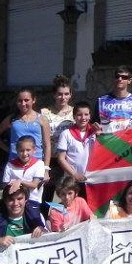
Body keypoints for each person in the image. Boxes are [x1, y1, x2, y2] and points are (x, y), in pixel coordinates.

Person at [0, 88, 52, 169]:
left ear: (33, 100)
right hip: (15, 162)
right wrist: (8, 149)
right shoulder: (12, 119)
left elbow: (47, 145)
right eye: (20, 100)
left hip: (36, 163)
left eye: (26, 100)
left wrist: (46, 168)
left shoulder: (42, 119)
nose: (23, 104)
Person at [40, 75, 74, 208]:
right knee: (46, 196)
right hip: (51, 159)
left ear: (71, 95)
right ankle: (43, 223)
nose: (63, 97)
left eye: (66, 94)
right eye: (60, 94)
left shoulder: (75, 112)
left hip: (68, 160)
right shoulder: (45, 112)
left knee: (67, 194)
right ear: (54, 95)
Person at [2, 135, 46, 220]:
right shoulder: (10, 165)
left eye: (28, 150)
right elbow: (5, 185)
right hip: (13, 201)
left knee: (35, 222)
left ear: (34, 150)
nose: (25, 153)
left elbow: (34, 185)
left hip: (32, 200)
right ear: (17, 151)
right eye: (21, 151)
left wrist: (19, 181)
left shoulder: (39, 164)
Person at [55, 101, 95, 185]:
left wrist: (100, 136)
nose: (83, 118)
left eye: (86, 114)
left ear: (90, 116)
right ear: (74, 116)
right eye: (79, 115)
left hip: (92, 179)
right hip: (72, 179)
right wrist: (74, 174)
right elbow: (61, 158)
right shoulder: (66, 134)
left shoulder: (95, 133)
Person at [93, 66, 132, 133]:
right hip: (107, 141)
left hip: (128, 141)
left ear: (129, 80)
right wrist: (95, 126)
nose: (120, 79)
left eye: (124, 77)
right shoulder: (102, 101)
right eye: (117, 76)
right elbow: (94, 122)